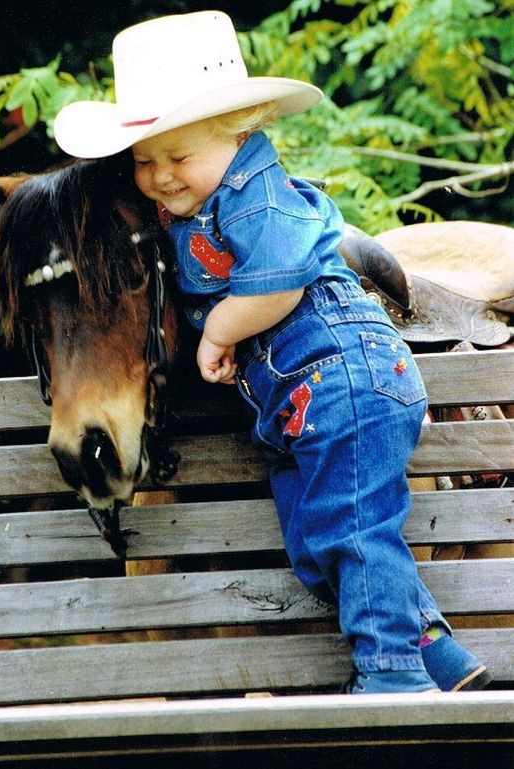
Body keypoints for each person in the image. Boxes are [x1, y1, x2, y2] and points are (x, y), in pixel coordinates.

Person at [54, 11, 490, 694]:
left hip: (346, 379)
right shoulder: (198, 203)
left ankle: (394, 676)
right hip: (298, 403)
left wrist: (222, 330)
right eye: (145, 160)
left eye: (178, 156)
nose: (163, 177)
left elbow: (278, 280)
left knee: (352, 527)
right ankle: (430, 642)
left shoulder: (261, 196)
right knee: (322, 536)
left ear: (243, 130)